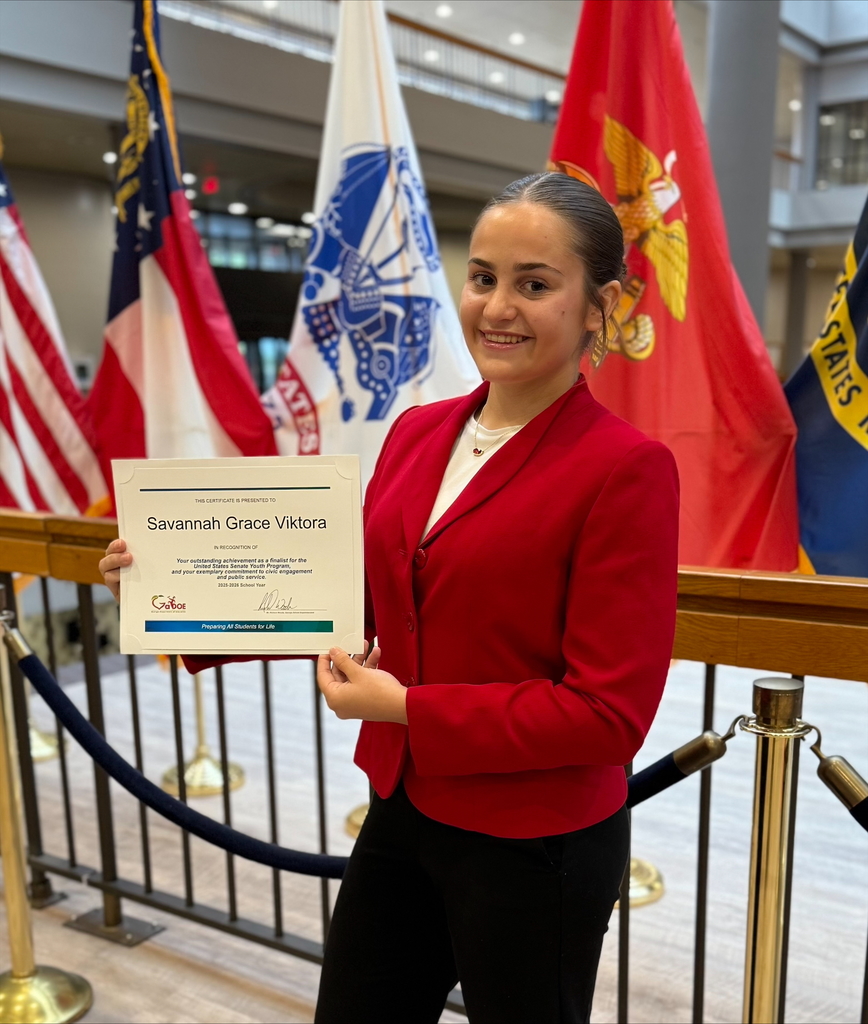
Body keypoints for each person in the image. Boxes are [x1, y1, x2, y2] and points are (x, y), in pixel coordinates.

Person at [100, 172, 679, 1024]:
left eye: (535, 283)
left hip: (536, 841)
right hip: (404, 806)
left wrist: (408, 706)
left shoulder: (625, 468)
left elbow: (607, 712)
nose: (497, 307)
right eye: (483, 278)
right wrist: (177, 586)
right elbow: (350, 598)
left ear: (601, 305)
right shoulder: (418, 429)